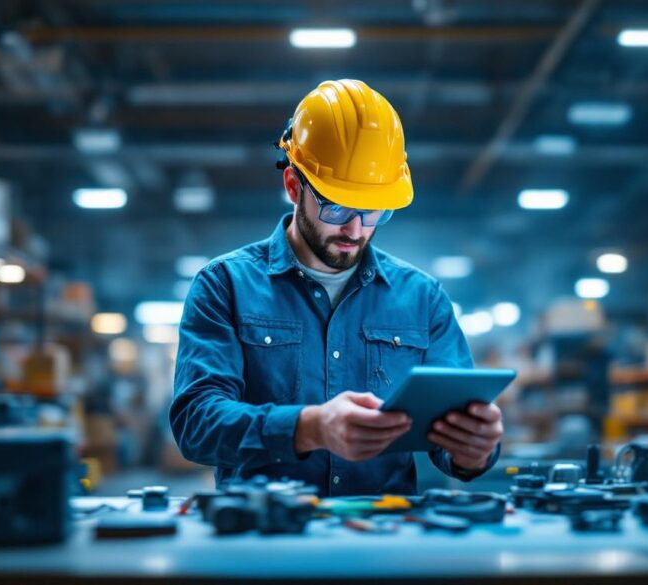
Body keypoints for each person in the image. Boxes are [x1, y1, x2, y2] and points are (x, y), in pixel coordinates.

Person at [170, 79, 503, 496]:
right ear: (293, 186)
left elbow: (451, 435)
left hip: (384, 539)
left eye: (372, 211)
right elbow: (196, 423)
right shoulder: (225, 286)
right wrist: (308, 428)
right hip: (266, 541)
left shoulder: (423, 298)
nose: (354, 228)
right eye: (338, 205)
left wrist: (472, 451)